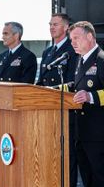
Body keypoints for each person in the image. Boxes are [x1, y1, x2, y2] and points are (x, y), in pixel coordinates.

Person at [36, 13, 78, 187]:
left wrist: (51, 90)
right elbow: (41, 81)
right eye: (50, 24)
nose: (52, 27)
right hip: (47, 111)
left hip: (65, 111)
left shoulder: (72, 49)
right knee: (49, 155)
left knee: (66, 157)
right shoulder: (47, 51)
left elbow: (74, 82)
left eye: (56, 24)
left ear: (66, 27)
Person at [69, 21, 104, 186]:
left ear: (90, 36)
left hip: (98, 134)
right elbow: (76, 86)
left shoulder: (101, 59)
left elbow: (87, 92)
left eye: (76, 38)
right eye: (71, 39)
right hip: (81, 132)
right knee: (87, 178)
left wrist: (90, 97)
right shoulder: (80, 60)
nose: (73, 42)